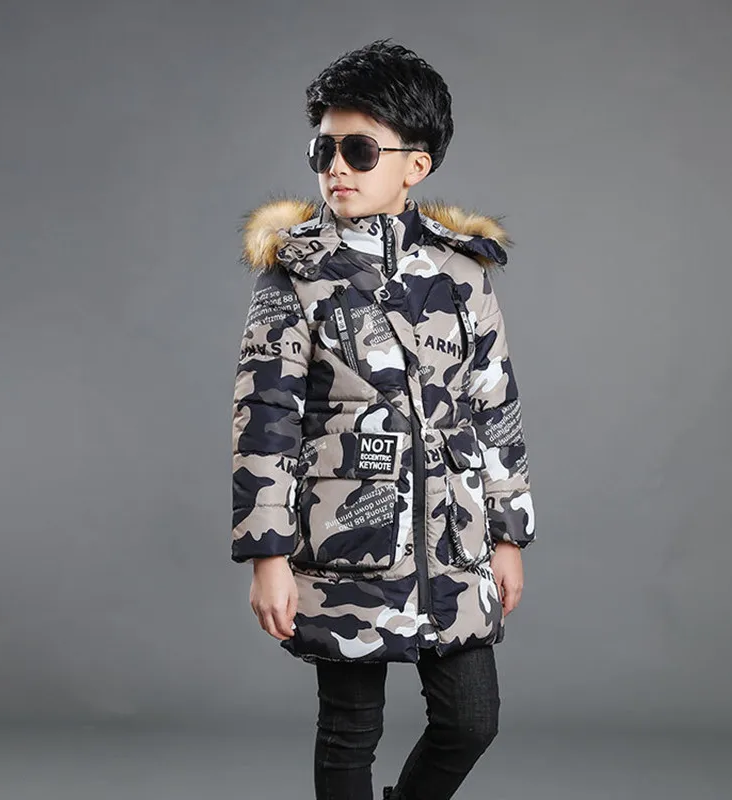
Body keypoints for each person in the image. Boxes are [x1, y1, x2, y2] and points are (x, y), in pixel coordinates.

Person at [230, 39, 536, 800]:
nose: (336, 166)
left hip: (455, 542)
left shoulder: (464, 273)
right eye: (323, 149)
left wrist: (508, 534)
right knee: (349, 732)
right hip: (346, 540)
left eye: (359, 150)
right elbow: (265, 418)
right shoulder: (296, 274)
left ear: (414, 165)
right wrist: (268, 556)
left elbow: (494, 404)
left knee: (470, 721)